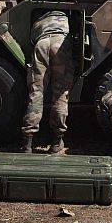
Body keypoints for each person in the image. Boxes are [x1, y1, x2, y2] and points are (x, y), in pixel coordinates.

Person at [21, 10, 74, 154]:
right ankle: (57, 141)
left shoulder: (40, 19)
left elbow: (31, 40)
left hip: (42, 43)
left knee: (36, 92)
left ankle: (27, 142)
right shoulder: (64, 17)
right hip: (61, 44)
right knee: (61, 93)